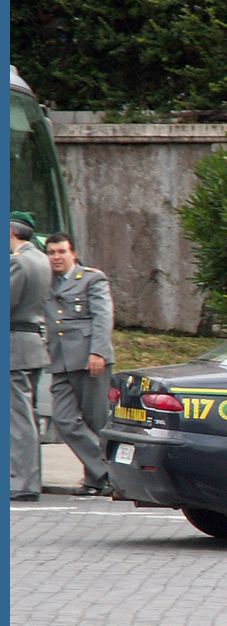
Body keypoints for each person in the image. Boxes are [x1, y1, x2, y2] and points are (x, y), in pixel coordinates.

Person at [43, 232, 115, 496]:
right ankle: (108, 473)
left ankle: (95, 481)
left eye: (61, 251)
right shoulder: (47, 282)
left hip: (89, 360)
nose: (56, 257)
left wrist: (98, 352)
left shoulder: (91, 278)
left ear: (73, 253)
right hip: (60, 362)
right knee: (63, 419)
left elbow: (103, 317)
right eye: (51, 252)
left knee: (97, 421)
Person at [10, 212, 52, 502]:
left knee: (18, 419)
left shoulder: (17, 261)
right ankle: (30, 479)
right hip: (32, 344)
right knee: (29, 416)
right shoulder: (40, 258)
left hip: (15, 345)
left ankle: (23, 482)